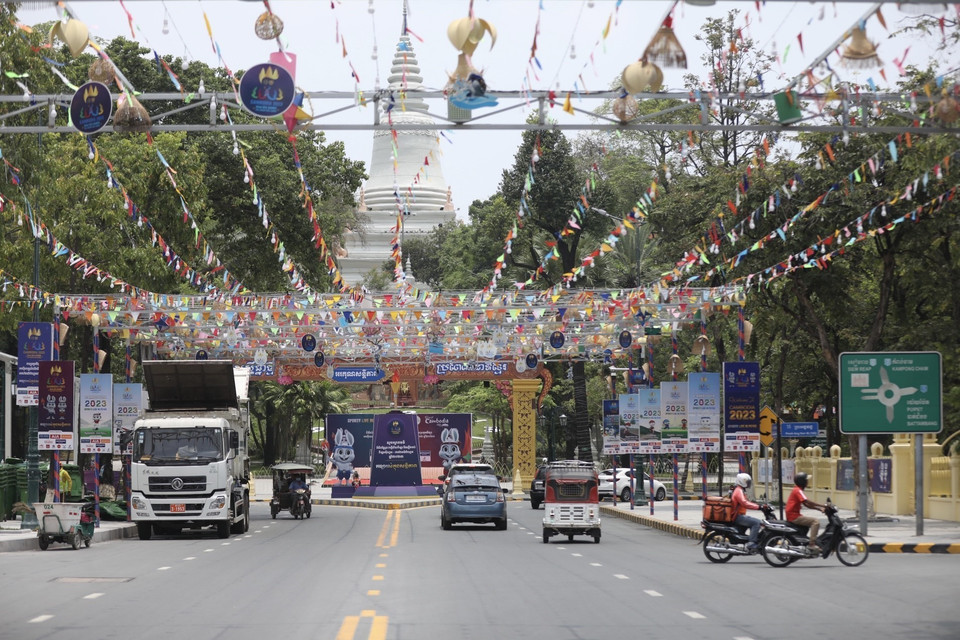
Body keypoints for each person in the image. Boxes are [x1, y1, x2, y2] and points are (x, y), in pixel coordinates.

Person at [787, 472, 826, 552]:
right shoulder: (798, 491)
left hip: (793, 515)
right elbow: (807, 501)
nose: (808, 482)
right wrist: (823, 505)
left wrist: (819, 509)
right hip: (793, 516)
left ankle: (805, 541)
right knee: (815, 522)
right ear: (803, 482)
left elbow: (806, 504)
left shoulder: (797, 490)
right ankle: (812, 544)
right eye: (806, 480)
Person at [731, 473, 765, 551]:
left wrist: (760, 505)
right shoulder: (738, 491)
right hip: (738, 517)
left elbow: (746, 502)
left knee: (752, 521)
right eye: (747, 482)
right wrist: (759, 507)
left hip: (740, 515)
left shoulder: (739, 490)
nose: (748, 484)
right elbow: (745, 503)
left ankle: (749, 539)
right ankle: (751, 543)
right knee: (756, 523)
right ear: (742, 481)